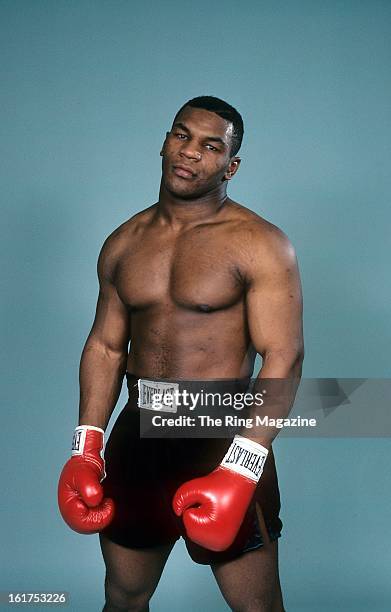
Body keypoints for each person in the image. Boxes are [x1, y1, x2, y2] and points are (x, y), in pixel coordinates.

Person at [58, 96, 304, 612]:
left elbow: (283, 357)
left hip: (220, 434)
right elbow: (105, 347)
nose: (190, 152)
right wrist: (86, 447)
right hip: (139, 430)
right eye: (181, 135)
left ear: (230, 166)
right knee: (124, 596)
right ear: (166, 142)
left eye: (210, 146)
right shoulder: (123, 243)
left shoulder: (260, 244)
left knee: (258, 607)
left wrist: (242, 467)